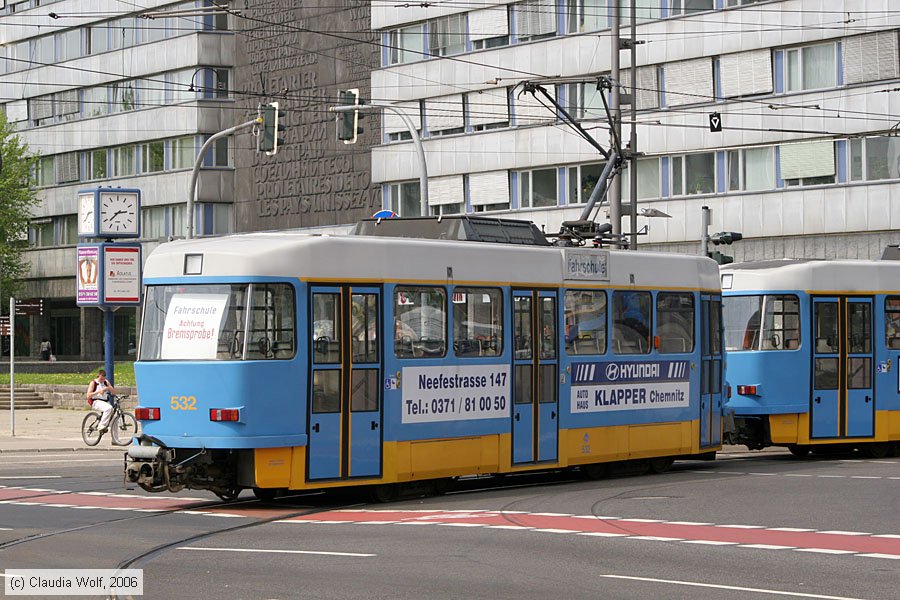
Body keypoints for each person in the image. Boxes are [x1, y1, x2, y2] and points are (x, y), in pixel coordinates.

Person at [86, 369, 117, 435]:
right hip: (95, 401)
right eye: (101, 379)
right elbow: (88, 395)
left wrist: (108, 387)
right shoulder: (93, 383)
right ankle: (101, 426)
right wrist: (98, 392)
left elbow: (114, 392)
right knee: (109, 408)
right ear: (98, 376)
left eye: (103, 379)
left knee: (114, 420)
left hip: (105, 401)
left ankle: (115, 439)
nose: (102, 380)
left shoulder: (105, 382)